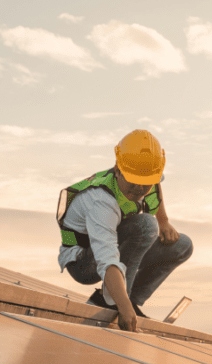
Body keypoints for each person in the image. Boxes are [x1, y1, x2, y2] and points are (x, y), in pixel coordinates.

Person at [56, 129, 193, 332]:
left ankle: (133, 302)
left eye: (145, 183)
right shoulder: (100, 200)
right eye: (133, 180)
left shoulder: (146, 174)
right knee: (145, 225)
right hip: (84, 261)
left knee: (182, 245)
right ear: (118, 170)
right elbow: (107, 258)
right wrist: (122, 306)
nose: (139, 188)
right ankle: (111, 301)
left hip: (117, 247)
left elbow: (156, 183)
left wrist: (164, 220)